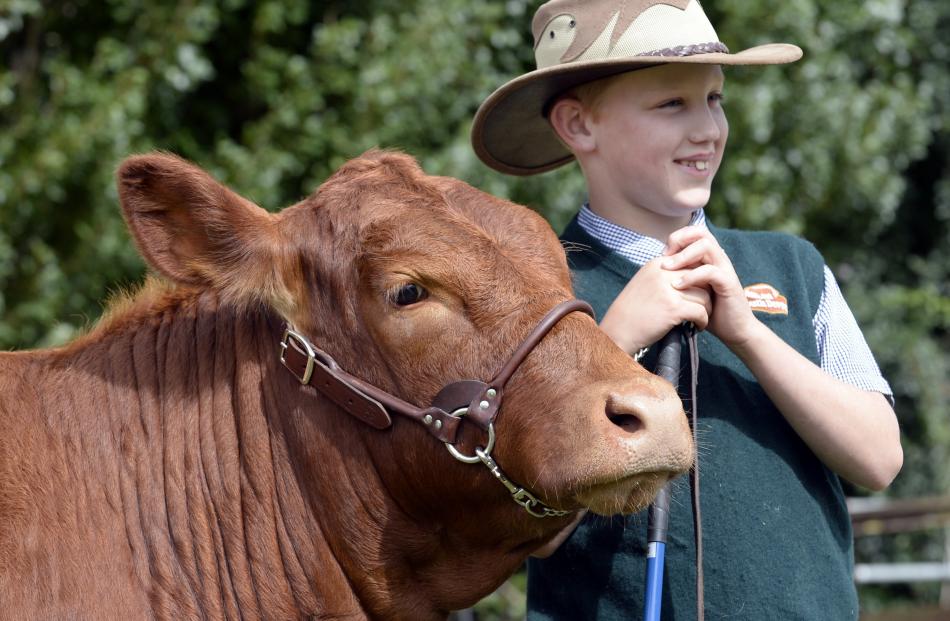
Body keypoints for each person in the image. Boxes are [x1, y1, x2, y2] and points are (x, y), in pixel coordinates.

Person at [470, 0, 903, 618]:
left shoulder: (794, 266)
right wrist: (612, 345)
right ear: (578, 125)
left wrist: (748, 334)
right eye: (671, 104)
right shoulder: (529, 288)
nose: (707, 128)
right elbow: (505, 517)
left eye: (715, 99)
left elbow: (881, 458)